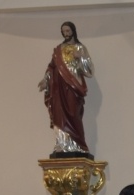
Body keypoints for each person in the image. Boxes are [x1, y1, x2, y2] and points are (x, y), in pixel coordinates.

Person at [38, 21, 94, 157]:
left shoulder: (80, 48)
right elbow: (51, 67)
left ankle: (78, 145)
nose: (66, 34)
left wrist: (80, 59)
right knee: (59, 115)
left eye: (68, 31)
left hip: (73, 87)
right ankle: (62, 145)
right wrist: (46, 80)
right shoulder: (58, 50)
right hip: (58, 89)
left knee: (74, 114)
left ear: (73, 31)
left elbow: (89, 72)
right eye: (64, 31)